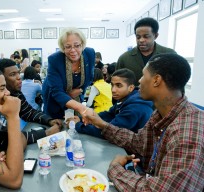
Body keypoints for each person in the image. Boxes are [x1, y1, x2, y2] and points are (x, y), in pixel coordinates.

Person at [84, 53, 204, 191]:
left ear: (156, 80)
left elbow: (159, 190)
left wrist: (116, 170)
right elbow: (139, 143)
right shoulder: (160, 114)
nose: (139, 81)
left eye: (143, 76)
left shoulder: (186, 134)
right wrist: (101, 124)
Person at [0, 58, 62, 143]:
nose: (19, 77)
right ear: (1, 79)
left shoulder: (16, 93)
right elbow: (7, 139)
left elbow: (29, 112)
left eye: (18, 73)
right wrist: (46, 133)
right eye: (12, 74)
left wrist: (49, 120)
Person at [73, 68, 153, 138]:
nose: (113, 90)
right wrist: (82, 118)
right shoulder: (125, 99)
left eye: (119, 86)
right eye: (112, 85)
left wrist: (78, 125)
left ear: (131, 88)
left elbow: (109, 132)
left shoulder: (134, 108)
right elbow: (108, 114)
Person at [42, 27, 95, 120]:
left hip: (76, 96)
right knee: (58, 124)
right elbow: (57, 91)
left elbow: (90, 78)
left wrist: (80, 90)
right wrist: (81, 107)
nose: (73, 50)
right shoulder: (54, 60)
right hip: (55, 98)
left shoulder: (90, 53)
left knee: (74, 123)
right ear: (63, 47)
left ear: (82, 45)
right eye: (68, 46)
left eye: (77, 45)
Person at [116, 17, 176, 85]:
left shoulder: (169, 55)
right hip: (133, 95)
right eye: (138, 37)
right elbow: (117, 83)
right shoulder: (124, 58)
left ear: (155, 36)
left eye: (146, 36)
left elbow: (177, 82)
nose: (141, 40)